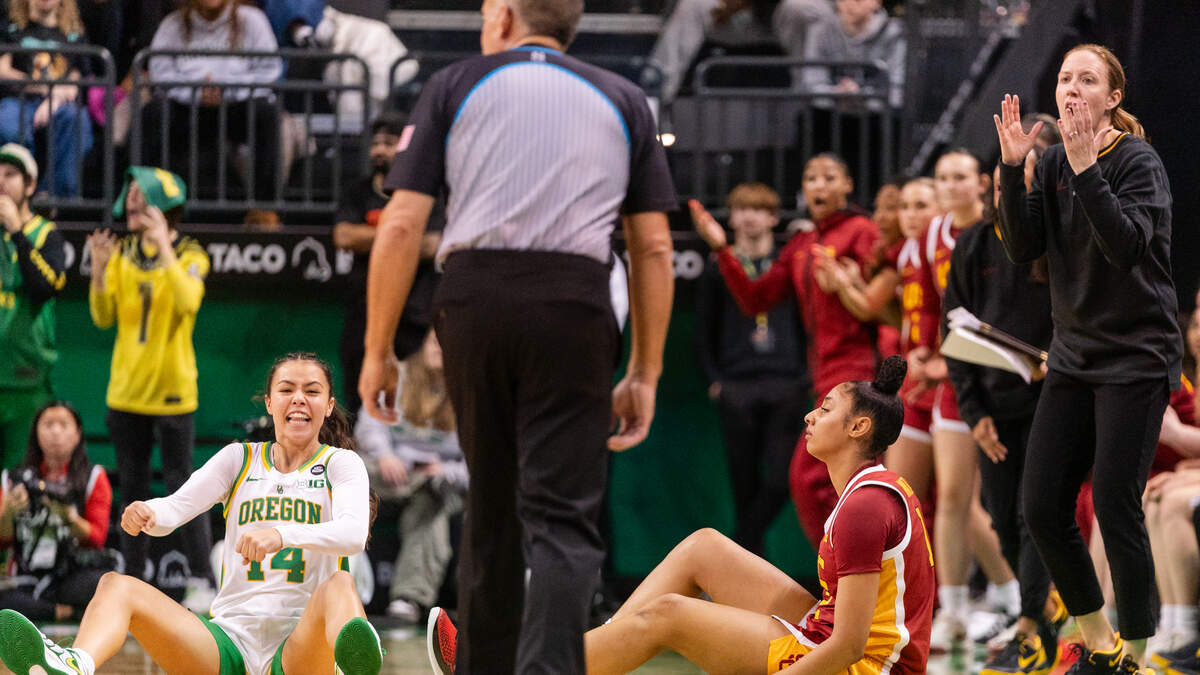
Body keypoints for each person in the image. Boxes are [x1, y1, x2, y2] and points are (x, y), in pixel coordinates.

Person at [359, 0, 677, 671]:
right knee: (563, 519)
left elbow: (400, 226)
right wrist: (645, 370)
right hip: (575, 302)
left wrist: (378, 350)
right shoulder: (624, 97)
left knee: (491, 503)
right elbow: (652, 248)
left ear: (503, 17)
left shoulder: (454, 83)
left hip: (475, 299)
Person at [429, 356, 935, 675]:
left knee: (669, 615)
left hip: (867, 668)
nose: (810, 414)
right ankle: (599, 652)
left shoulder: (864, 506)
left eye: (825, 409)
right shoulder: (870, 489)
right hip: (836, 636)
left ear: (858, 428)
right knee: (703, 546)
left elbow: (848, 647)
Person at [0, 352, 384, 675]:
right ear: (269, 403)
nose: (298, 399)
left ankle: (354, 666)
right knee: (116, 586)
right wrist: (149, 512)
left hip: (298, 648)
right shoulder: (240, 458)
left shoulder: (341, 464)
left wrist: (281, 534)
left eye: (312, 391)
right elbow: (177, 506)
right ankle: (75, 665)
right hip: (228, 645)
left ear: (328, 405)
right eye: (286, 390)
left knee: (340, 585)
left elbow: (352, 534)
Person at [994, 43, 1180, 669]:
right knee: (1041, 505)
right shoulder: (1049, 164)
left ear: (1112, 97)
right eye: (1065, 78)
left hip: (1137, 356)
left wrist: (1085, 169)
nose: (1072, 88)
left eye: (1088, 79)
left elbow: (1126, 249)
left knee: (1113, 504)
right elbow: (1022, 250)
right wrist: (1012, 171)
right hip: (1074, 355)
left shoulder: (1138, 162)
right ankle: (1099, 642)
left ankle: (1138, 652)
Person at [691, 152, 879, 548]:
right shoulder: (802, 243)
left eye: (829, 177)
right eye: (811, 177)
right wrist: (722, 249)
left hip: (855, 373)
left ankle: (853, 571)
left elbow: (882, 305)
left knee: (820, 480)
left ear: (848, 185)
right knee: (817, 484)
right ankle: (843, 572)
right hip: (822, 380)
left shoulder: (861, 231)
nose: (819, 185)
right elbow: (755, 299)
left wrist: (847, 285)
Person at [944, 158, 1064, 675]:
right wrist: (974, 412)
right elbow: (954, 329)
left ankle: (1030, 628)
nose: (1008, 194)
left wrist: (1060, 362)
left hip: (1051, 405)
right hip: (993, 409)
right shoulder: (973, 244)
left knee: (1031, 514)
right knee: (1000, 518)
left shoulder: (1057, 242)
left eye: (1021, 185)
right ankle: (1046, 606)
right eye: (1001, 185)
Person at [86, 167, 216, 611]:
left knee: (184, 485)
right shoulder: (122, 252)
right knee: (133, 488)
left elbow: (187, 301)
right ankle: (133, 580)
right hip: (126, 393)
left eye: (141, 196)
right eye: (130, 196)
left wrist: (163, 247)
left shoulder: (191, 253)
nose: (132, 203)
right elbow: (103, 317)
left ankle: (201, 578)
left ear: (164, 205)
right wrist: (99, 271)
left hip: (173, 393)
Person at [694, 182, 809, 557]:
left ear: (774, 218)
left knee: (781, 479)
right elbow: (703, 327)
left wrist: (804, 377)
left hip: (786, 384)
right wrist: (715, 381)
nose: (749, 217)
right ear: (730, 217)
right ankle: (751, 571)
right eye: (742, 209)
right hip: (737, 385)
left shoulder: (789, 262)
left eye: (759, 209)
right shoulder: (718, 267)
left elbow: (808, 320)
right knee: (742, 484)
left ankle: (736, 548)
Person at [333, 111, 442, 418]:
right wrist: (400, 234)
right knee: (360, 405)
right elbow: (343, 236)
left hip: (413, 317)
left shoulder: (426, 193)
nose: (380, 149)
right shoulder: (357, 191)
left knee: (414, 407)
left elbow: (432, 244)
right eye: (376, 143)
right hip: (363, 315)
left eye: (389, 143)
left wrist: (371, 237)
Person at [354, 330, 466, 624]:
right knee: (351, 467)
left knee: (432, 504)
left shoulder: (470, 392)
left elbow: (479, 461)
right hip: (388, 474)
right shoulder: (396, 377)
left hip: (440, 484)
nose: (440, 349)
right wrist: (384, 454)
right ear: (424, 345)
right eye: (435, 342)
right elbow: (368, 426)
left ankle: (408, 598)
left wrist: (445, 471)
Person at [142, 0, 283, 225]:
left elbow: (269, 71)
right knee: (154, 112)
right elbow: (160, 73)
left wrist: (227, 88)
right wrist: (196, 91)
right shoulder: (173, 25)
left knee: (267, 113)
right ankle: (151, 205)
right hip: (187, 107)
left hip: (237, 106)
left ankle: (263, 209)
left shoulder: (252, 20)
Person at [0, 401, 112, 621]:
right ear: (36, 432)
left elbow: (97, 539)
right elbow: (3, 541)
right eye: (48, 424)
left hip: (71, 575)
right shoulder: (13, 479)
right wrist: (9, 512)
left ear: (77, 434)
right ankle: (63, 612)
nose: (55, 431)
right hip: (25, 577)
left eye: (63, 424)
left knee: (106, 585)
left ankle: (40, 608)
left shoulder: (93, 477)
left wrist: (69, 518)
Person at [0, 144, 65, 469]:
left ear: (30, 185)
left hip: (25, 380)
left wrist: (17, 232)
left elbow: (44, 288)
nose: (1, 182)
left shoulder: (46, 234)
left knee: (18, 479)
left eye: (10, 174)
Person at [646, 0, 836, 103]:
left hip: (789, 13)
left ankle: (815, 103)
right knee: (694, 5)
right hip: (748, 12)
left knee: (802, 8)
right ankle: (652, 97)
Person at [0, 0, 94, 196]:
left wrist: (54, 99)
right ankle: (17, 194)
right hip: (19, 99)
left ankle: (53, 198)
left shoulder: (73, 33)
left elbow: (77, 77)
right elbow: (3, 70)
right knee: (9, 123)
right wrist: (44, 88)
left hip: (60, 102)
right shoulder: (13, 27)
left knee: (76, 119)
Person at [802, 0, 905, 108]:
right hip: (825, 114)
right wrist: (836, 93)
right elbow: (811, 84)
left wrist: (861, 97)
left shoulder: (894, 33)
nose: (849, 4)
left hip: (880, 115)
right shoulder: (821, 28)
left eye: (858, 0)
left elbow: (897, 91)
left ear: (877, 3)